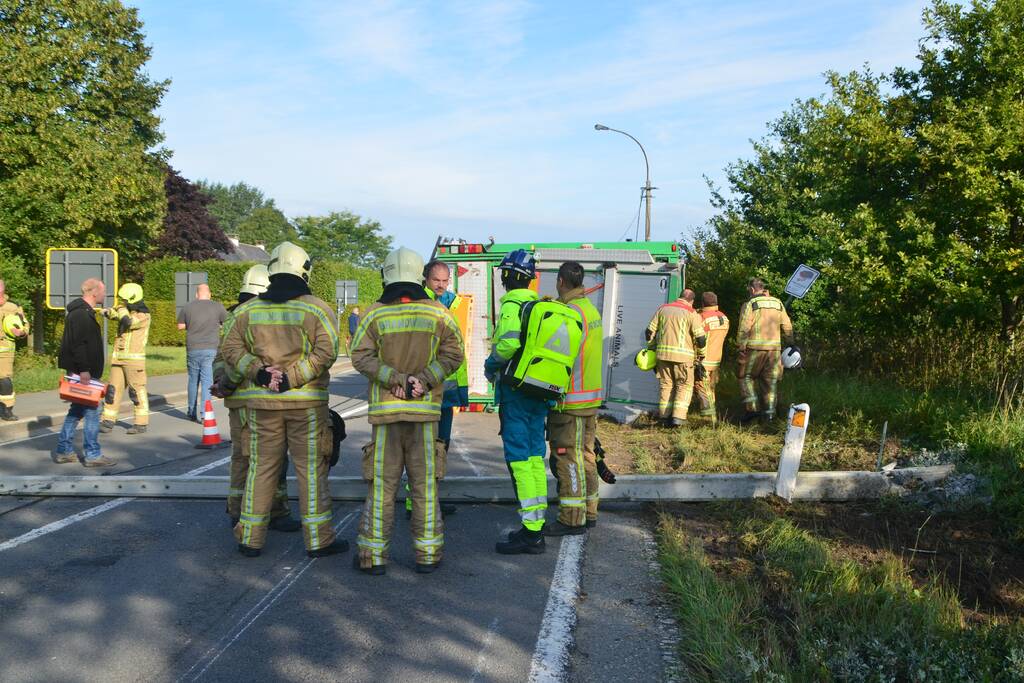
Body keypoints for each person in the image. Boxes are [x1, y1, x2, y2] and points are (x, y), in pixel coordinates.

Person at [220, 242, 345, 558]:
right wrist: (293, 377)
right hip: (307, 406)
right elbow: (326, 352)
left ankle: (249, 538)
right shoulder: (317, 309)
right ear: (305, 271)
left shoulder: (247, 311)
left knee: (261, 469)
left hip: (264, 405)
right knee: (311, 473)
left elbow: (231, 351)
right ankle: (319, 540)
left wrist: (261, 374)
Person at [351, 247, 464, 575]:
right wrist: (423, 381)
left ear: (386, 274)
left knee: (382, 488)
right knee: (425, 486)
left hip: (386, 417)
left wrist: (393, 378)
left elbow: (360, 357)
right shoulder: (438, 314)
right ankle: (428, 555)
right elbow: (453, 355)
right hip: (425, 415)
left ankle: (372, 557)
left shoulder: (374, 314)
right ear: (420, 277)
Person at [485, 249, 562, 555]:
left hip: (516, 393)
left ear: (507, 276)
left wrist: (491, 365)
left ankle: (530, 534)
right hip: (539, 393)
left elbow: (507, 343)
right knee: (534, 459)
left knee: (519, 460)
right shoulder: (540, 306)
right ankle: (537, 523)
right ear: (531, 279)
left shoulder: (512, 305)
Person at [213, 264, 300, 533]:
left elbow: (221, 358)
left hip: (240, 401)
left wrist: (222, 383)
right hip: (261, 401)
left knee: (244, 458)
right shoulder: (258, 315)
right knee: (269, 459)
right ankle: (272, 512)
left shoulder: (232, 316)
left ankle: (240, 511)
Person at [402, 259, 466, 519]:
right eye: (435, 280)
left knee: (440, 447)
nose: (440, 285)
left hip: (447, 391)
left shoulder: (454, 302)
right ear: (425, 279)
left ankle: (430, 499)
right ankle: (415, 503)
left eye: (444, 280)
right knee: (423, 449)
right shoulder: (419, 304)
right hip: (427, 389)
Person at [545, 261, 603, 535]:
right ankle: (589, 511)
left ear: (560, 281)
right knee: (586, 456)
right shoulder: (589, 309)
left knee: (567, 459)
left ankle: (571, 517)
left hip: (570, 401)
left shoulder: (569, 313)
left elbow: (558, 357)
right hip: (589, 398)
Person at [54, 278, 115, 467]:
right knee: (93, 410)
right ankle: (92, 454)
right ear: (94, 292)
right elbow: (78, 345)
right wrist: (85, 370)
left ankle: (64, 450)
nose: (105, 295)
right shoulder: (81, 314)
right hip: (83, 373)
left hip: (82, 371)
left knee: (77, 410)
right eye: (103, 291)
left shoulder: (82, 312)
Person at [646, 288, 706, 427]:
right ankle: (678, 419)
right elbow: (701, 339)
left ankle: (664, 417)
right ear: (691, 301)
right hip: (684, 358)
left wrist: (652, 348)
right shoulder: (692, 313)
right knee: (684, 386)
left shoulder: (663, 309)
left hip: (662, 356)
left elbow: (649, 332)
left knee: (666, 385)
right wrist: (701, 354)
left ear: (680, 297)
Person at [737, 278, 794, 422]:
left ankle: (752, 409)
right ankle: (769, 415)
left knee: (745, 377)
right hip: (774, 350)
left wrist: (741, 346)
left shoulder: (751, 303)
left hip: (754, 349)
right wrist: (790, 343)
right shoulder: (778, 302)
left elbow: (744, 327)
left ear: (751, 289)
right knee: (771, 381)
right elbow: (787, 326)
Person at [100, 283, 151, 434]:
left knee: (136, 392)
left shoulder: (143, 315)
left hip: (134, 361)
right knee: (112, 391)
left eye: (124, 300)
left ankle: (141, 423)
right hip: (118, 359)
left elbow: (127, 321)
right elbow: (116, 315)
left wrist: (120, 308)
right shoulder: (126, 311)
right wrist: (108, 312)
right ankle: (108, 420)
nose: (122, 302)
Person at [177, 284, 227, 421]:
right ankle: (205, 413)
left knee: (193, 380)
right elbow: (227, 323)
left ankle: (191, 410)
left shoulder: (188, 307)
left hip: (193, 348)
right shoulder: (217, 306)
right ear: (209, 294)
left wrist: (192, 324)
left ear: (196, 295)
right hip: (211, 348)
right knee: (207, 381)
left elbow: (180, 326)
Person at [693, 291, 730, 424]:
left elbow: (697, 338)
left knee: (701, 386)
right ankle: (710, 413)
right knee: (711, 388)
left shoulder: (702, 318)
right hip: (716, 360)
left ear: (703, 303)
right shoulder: (724, 318)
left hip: (703, 360)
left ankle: (707, 418)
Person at [0, 279, 29, 421]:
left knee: (4, 380)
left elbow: (25, 325)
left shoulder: (13, 306)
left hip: (4, 351)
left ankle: (6, 409)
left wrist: (21, 332)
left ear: (3, 290)